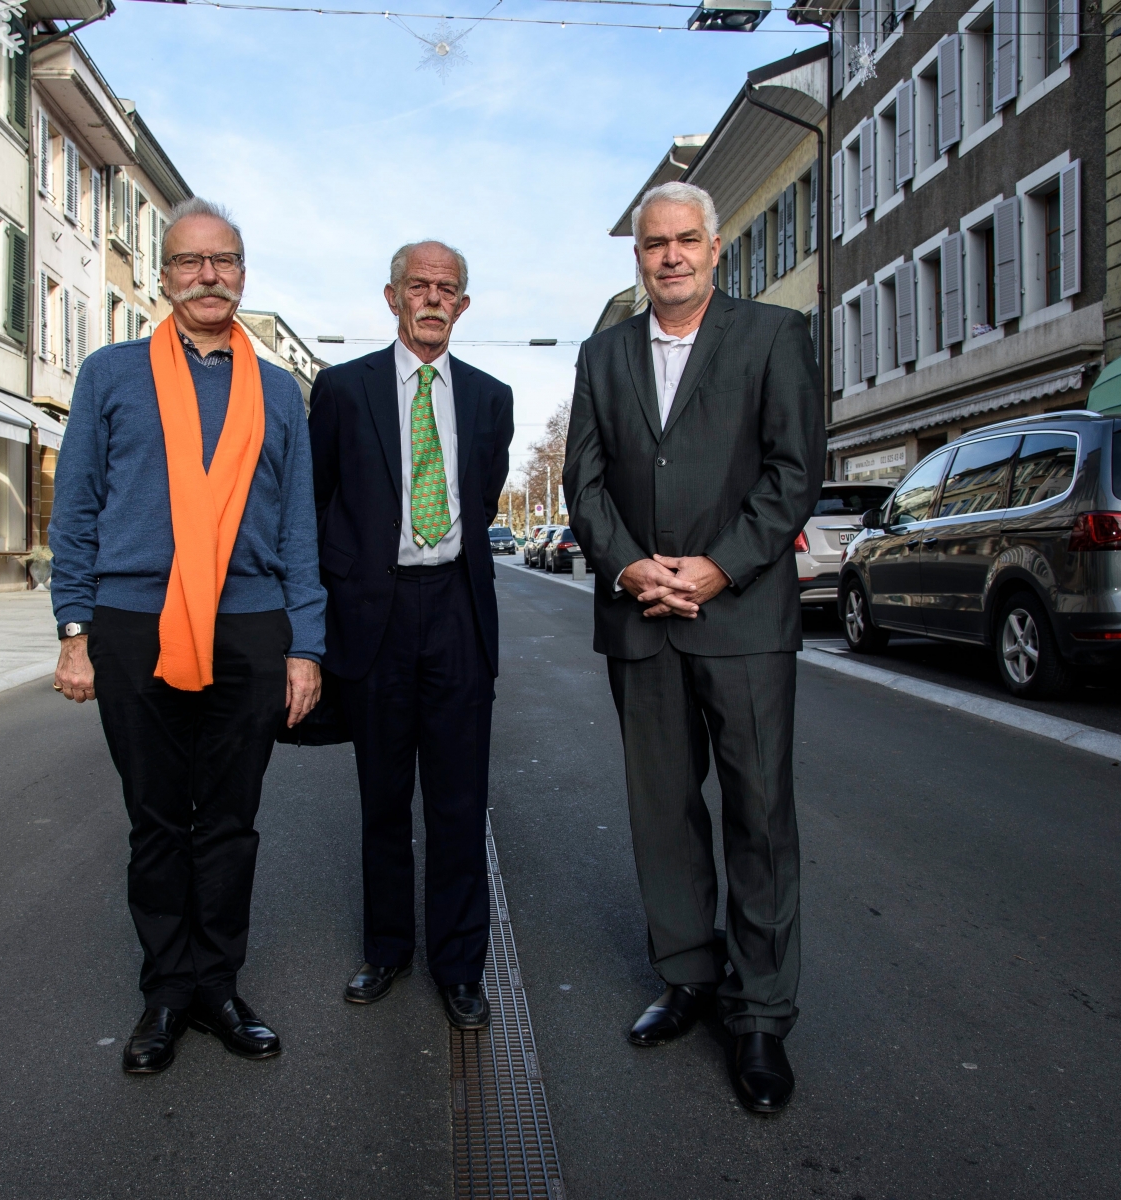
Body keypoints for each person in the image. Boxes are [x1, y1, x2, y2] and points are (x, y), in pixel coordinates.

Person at [562, 181, 824, 1113]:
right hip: (640, 620)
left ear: (715, 249)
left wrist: (716, 569)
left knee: (758, 816)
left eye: (683, 242)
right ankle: (687, 976)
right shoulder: (602, 355)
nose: (667, 256)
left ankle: (758, 1016)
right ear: (636, 257)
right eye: (650, 245)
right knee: (662, 811)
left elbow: (795, 474)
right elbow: (583, 483)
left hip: (742, 618)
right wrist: (633, 570)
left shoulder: (772, 337)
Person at [49, 197, 325, 1075]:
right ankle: (167, 992)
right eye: (190, 262)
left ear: (242, 273)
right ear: (165, 277)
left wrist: (305, 645)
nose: (209, 276)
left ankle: (218, 985)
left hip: (249, 623)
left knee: (232, 821)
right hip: (135, 622)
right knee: (157, 819)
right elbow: (77, 507)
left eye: (225, 261)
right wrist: (74, 627)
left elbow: (296, 532)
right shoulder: (109, 374)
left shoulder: (279, 391)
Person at [308, 241, 515, 1029]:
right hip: (374, 616)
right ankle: (386, 948)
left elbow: (483, 498)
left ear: (461, 306)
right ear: (391, 296)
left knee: (460, 803)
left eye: (447, 289)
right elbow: (317, 500)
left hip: (457, 610)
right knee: (383, 798)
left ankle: (459, 967)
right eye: (418, 286)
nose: (432, 299)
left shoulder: (490, 399)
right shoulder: (341, 389)